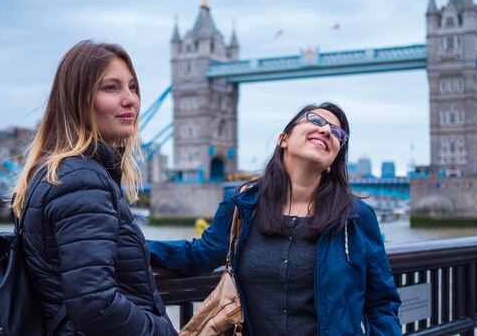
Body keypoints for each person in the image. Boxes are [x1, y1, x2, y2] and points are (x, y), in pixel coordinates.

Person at [148, 103, 402, 335]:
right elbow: (200, 255)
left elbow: (381, 303)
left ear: (331, 162)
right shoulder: (243, 204)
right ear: (284, 139)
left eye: (337, 133)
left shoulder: (356, 216)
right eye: (315, 121)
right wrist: (131, 243)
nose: (327, 131)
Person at [11, 40, 177, 335]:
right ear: (78, 99)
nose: (131, 100)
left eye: (133, 87)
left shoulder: (64, 173)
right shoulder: (81, 180)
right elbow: (94, 303)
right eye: (111, 88)